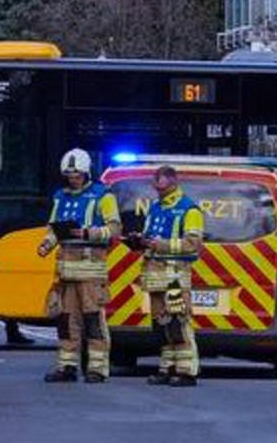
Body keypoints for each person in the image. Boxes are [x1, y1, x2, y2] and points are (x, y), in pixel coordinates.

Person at [37, 148, 121, 383]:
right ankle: (67, 365)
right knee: (65, 319)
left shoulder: (103, 196)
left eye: (76, 175)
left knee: (93, 319)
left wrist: (87, 232)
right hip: (66, 270)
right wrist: (46, 244)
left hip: (90, 269)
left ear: (86, 173)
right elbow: (54, 228)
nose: (72, 179)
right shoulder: (60, 196)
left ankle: (97, 367)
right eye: (69, 176)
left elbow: (114, 230)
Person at [129, 165, 204, 387]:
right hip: (155, 275)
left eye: (162, 188)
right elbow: (151, 236)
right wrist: (140, 240)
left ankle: (187, 370)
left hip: (175, 277)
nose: (159, 192)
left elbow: (193, 245)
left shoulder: (189, 210)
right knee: (161, 324)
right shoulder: (155, 208)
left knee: (178, 322)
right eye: (156, 188)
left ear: (173, 183)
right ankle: (167, 368)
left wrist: (159, 244)